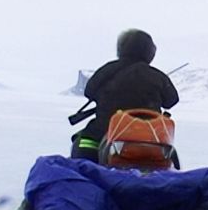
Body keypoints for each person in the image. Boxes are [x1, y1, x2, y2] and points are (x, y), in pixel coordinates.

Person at [71, 29, 179, 162]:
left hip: (106, 131)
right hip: (150, 137)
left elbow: (89, 91)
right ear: (149, 52)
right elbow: (172, 100)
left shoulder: (108, 70)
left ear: (121, 49)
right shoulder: (157, 76)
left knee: (84, 142)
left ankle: (83, 173)